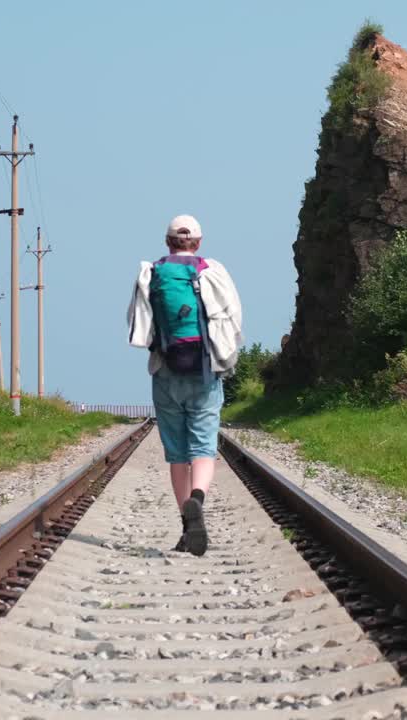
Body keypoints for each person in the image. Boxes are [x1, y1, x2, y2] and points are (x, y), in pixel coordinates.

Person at [127, 214, 242, 556]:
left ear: (168, 242)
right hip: (205, 372)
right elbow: (233, 318)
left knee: (178, 455)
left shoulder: (153, 273)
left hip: (166, 372)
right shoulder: (213, 271)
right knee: (204, 449)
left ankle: (186, 525)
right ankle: (198, 499)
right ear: (199, 242)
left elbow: (137, 324)